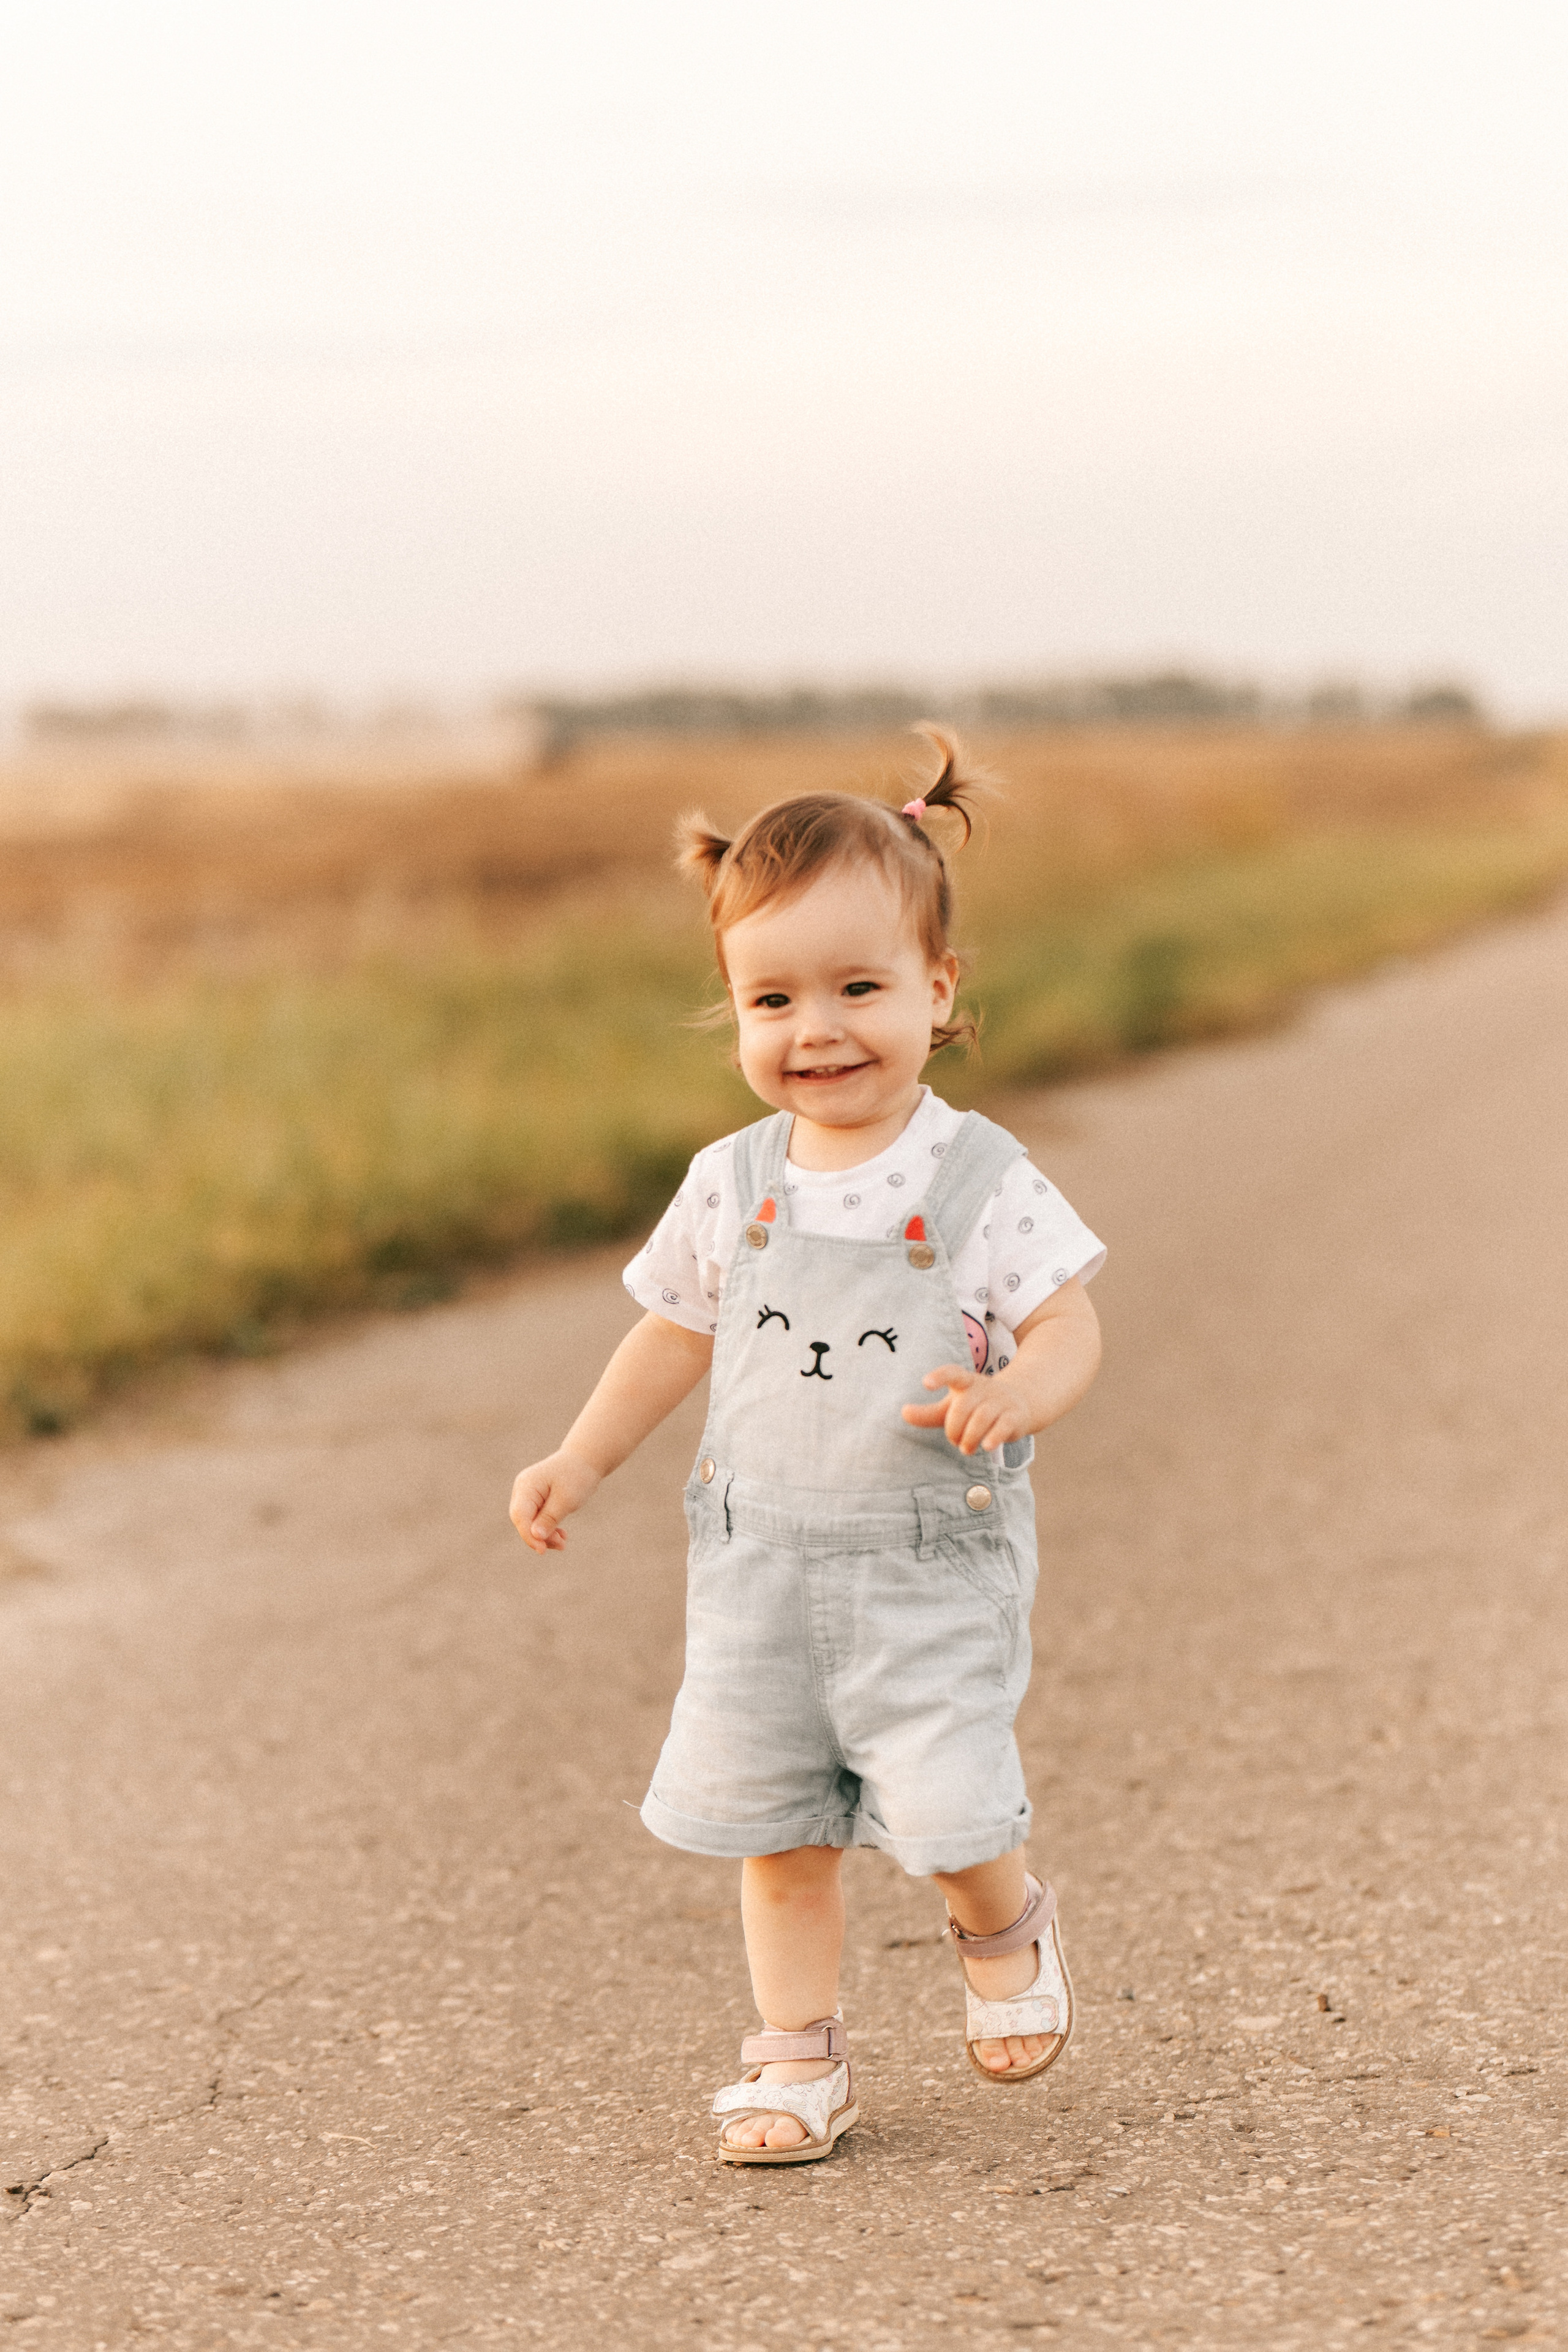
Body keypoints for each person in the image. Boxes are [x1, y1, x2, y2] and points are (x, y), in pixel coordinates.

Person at [510, 731, 1105, 2165]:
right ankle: (795, 2058)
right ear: (730, 1009)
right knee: (776, 1829)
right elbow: (668, 1334)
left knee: (951, 1811)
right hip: (759, 1572)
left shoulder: (977, 1178)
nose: (816, 1028)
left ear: (936, 991)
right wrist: (580, 1459)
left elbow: (1068, 1322)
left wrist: (1022, 1389)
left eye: (857, 987)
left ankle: (1001, 1923)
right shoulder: (730, 1182)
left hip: (922, 1571)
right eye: (772, 998)